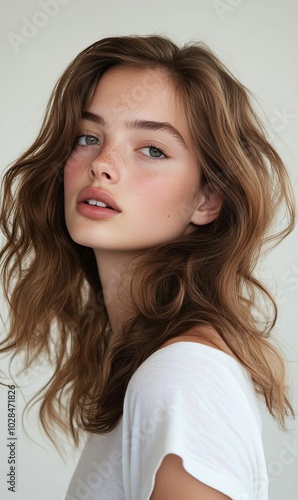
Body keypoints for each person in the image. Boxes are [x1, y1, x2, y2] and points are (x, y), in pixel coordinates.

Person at [0, 34, 295, 500]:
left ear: (207, 199)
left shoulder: (182, 375)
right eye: (88, 137)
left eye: (152, 149)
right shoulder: (155, 366)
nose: (102, 164)